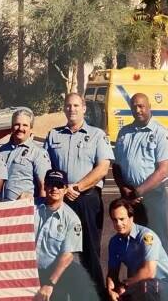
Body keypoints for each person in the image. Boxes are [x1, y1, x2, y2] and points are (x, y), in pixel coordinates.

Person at [44, 92, 114, 297]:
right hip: (60, 200)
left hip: (87, 199)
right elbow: (46, 167)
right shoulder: (53, 135)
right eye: (68, 105)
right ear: (64, 109)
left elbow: (102, 168)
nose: (71, 109)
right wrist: (65, 190)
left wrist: (77, 187)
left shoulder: (96, 135)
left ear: (83, 108)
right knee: (57, 249)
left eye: (76, 105)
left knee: (89, 251)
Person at [112, 93, 168, 261]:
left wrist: (138, 191)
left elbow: (162, 171)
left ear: (149, 107)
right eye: (134, 106)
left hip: (151, 195)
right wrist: (124, 189)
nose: (137, 110)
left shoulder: (161, 132)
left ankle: (165, 284)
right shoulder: (124, 133)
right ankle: (136, 283)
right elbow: (117, 166)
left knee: (157, 239)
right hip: (128, 196)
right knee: (132, 241)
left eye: (141, 106)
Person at [34, 169, 99, 301]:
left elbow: (67, 256)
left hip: (51, 274)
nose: (55, 189)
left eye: (59, 185)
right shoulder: (30, 207)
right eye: (51, 184)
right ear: (45, 186)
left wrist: (50, 284)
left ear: (65, 189)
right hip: (28, 272)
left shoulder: (72, 220)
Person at [106, 198, 168, 301]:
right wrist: (111, 290)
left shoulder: (146, 236)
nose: (118, 224)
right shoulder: (114, 242)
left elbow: (149, 272)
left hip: (165, 285)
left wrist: (125, 285)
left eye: (122, 219)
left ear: (131, 218)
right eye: (114, 219)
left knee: (144, 287)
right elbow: (112, 272)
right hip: (138, 284)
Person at [0, 108, 50, 200]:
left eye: (25, 125)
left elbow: (44, 188)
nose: (20, 128)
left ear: (30, 128)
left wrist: (42, 209)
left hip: (24, 210)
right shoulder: (1, 151)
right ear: (11, 126)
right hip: (1, 208)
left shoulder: (38, 153)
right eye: (17, 125)